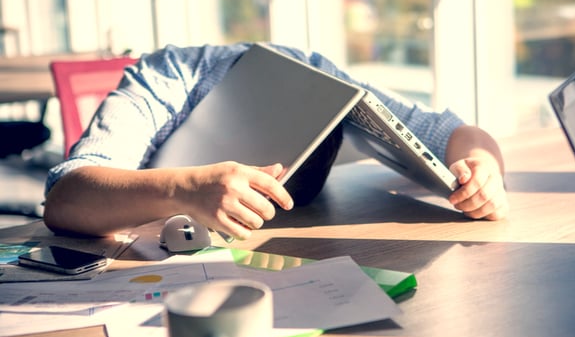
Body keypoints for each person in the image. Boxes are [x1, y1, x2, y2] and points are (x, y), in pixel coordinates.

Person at [43, 42, 508, 240]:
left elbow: (453, 132)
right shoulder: (168, 77)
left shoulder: (318, 78)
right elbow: (65, 199)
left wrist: (482, 168)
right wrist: (184, 189)